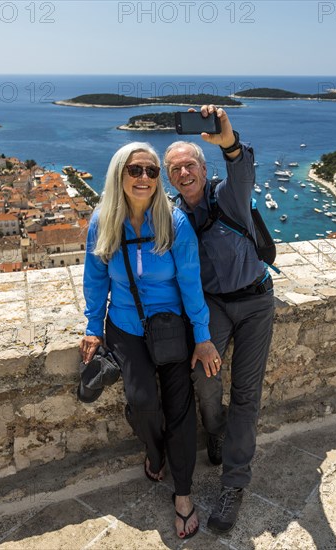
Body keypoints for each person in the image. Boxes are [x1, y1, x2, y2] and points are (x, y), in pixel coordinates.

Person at [80, 142, 221, 539]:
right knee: (142, 401)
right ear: (119, 174)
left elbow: (191, 284)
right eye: (135, 170)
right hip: (125, 326)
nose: (144, 178)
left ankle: (183, 495)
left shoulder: (174, 223)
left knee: (179, 409)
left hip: (173, 327)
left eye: (152, 171)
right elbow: (95, 278)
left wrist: (203, 337)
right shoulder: (103, 221)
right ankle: (154, 451)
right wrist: (93, 325)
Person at [164, 105, 275, 534]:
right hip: (212, 305)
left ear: (202, 166)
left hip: (255, 302)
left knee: (246, 394)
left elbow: (241, 165)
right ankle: (215, 429)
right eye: (175, 168)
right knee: (205, 379)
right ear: (169, 176)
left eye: (190, 164)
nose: (184, 172)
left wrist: (226, 137)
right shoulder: (173, 216)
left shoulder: (228, 194)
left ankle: (234, 484)